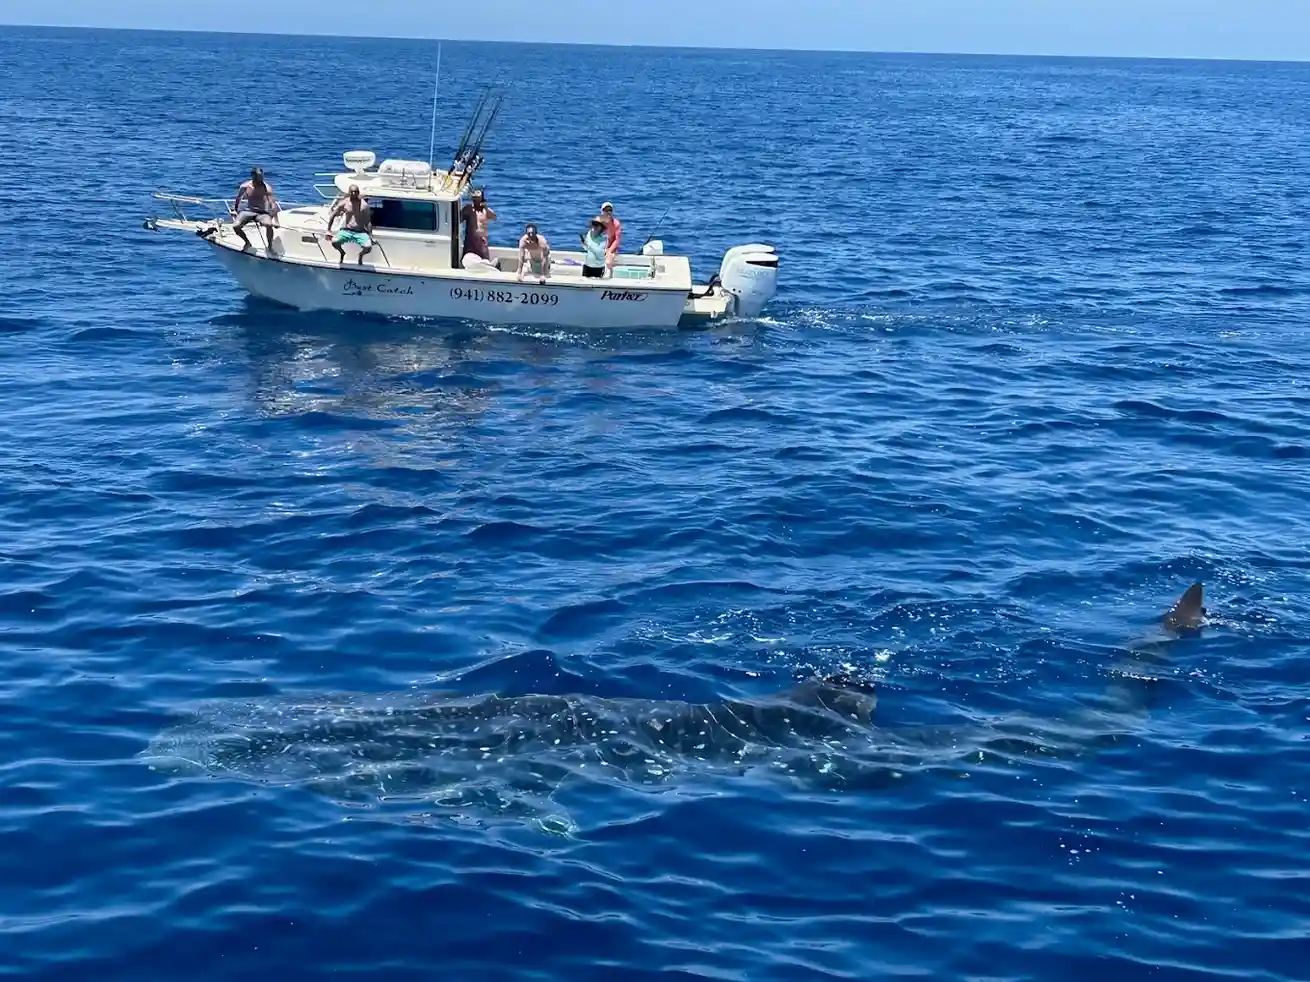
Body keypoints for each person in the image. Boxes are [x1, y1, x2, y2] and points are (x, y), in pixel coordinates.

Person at [233, 167, 279, 251]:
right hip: (249, 211)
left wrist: (276, 220)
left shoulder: (267, 188)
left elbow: (273, 204)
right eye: (258, 177)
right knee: (236, 226)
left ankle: (270, 246)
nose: (261, 179)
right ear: (253, 176)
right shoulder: (245, 186)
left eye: (262, 176)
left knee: (269, 225)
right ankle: (247, 242)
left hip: (262, 213)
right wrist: (235, 210)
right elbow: (238, 198)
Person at [325, 184, 373, 264]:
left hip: (360, 231)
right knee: (334, 242)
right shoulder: (344, 203)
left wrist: (370, 235)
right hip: (346, 230)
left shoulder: (364, 205)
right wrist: (328, 230)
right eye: (352, 192)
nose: (354, 193)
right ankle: (342, 252)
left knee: (368, 247)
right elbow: (333, 215)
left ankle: (360, 255)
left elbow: (368, 221)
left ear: (358, 193)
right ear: (349, 192)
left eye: (356, 192)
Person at [460, 188, 496, 262]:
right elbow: (459, 219)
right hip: (471, 240)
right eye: (474, 199)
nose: (476, 201)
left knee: (484, 260)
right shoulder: (468, 209)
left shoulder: (485, 210)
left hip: (482, 241)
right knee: (467, 259)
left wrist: (485, 207)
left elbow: (494, 217)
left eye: (478, 199)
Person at [600, 200, 622, 270]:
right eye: (606, 210)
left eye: (610, 210)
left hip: (611, 248)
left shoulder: (616, 224)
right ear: (602, 211)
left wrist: (609, 251)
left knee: (608, 262)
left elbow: (616, 240)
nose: (608, 212)